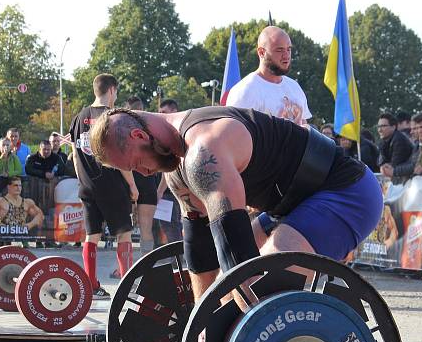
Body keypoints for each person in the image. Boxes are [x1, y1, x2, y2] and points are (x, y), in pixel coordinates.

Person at [89, 106, 383, 310]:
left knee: (264, 281)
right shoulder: (177, 171)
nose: (142, 174)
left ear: (139, 137)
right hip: (293, 206)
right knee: (222, 296)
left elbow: (238, 255)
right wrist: (199, 324)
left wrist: (228, 329)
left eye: (136, 165)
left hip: (347, 191)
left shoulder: (204, 149)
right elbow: (201, 255)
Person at [69, 74, 138, 300]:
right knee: (124, 234)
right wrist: (132, 185)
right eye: (116, 93)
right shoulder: (113, 117)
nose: (116, 97)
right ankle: (126, 285)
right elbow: (120, 156)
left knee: (92, 236)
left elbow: (74, 153)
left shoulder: (80, 116)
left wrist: (83, 180)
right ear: (111, 90)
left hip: (87, 186)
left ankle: (91, 285)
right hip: (112, 185)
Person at [225, 26, 311, 125]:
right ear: (262, 52)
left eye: (289, 49)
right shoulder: (245, 91)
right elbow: (235, 135)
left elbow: (304, 127)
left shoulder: (294, 87)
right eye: (279, 50)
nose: (286, 55)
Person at [125, 95, 159, 268]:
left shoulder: (123, 129)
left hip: (131, 181)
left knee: (126, 231)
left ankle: (128, 267)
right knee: (146, 228)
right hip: (148, 180)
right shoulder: (153, 128)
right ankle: (146, 266)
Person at [154, 99, 184, 245]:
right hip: (175, 191)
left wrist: (159, 192)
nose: (160, 115)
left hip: (170, 192)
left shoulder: (173, 134)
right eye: (159, 113)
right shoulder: (171, 132)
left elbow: (170, 167)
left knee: (171, 229)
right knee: (172, 228)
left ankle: (177, 263)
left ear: (174, 111)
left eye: (163, 112)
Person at [377, 112, 414, 177]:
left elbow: (394, 166)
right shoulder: (383, 142)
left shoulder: (399, 140)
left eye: (383, 126)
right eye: (379, 126)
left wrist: (386, 166)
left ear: (393, 127)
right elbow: (380, 163)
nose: (380, 130)